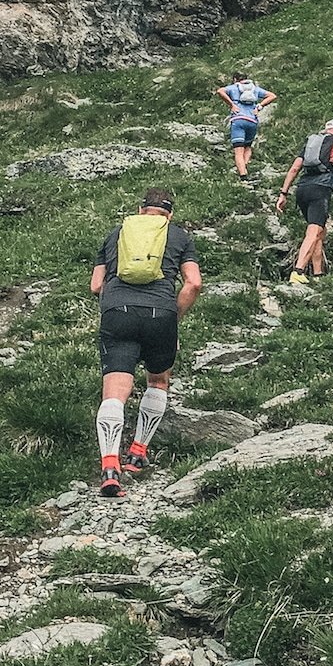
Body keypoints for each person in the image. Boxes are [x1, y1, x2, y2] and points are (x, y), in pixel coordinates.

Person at [89, 187, 202, 497]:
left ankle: (110, 466)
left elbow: (96, 284)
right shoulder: (179, 236)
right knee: (158, 381)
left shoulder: (117, 233)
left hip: (117, 313)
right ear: (169, 215)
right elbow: (194, 283)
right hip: (161, 314)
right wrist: (172, 319)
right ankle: (138, 452)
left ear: (140, 210)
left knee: (114, 392)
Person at [276, 119, 333, 285]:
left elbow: (294, 168)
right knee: (313, 232)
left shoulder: (311, 143)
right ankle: (298, 271)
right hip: (320, 190)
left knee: (319, 230)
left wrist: (283, 194)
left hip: (302, 190)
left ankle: (318, 273)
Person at [215, 71, 277, 181]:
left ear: (235, 79)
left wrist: (232, 104)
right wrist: (259, 106)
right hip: (252, 120)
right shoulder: (255, 89)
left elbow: (220, 91)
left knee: (238, 150)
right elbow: (272, 96)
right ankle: (244, 166)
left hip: (238, 120)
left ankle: (243, 175)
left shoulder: (233, 88)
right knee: (247, 146)